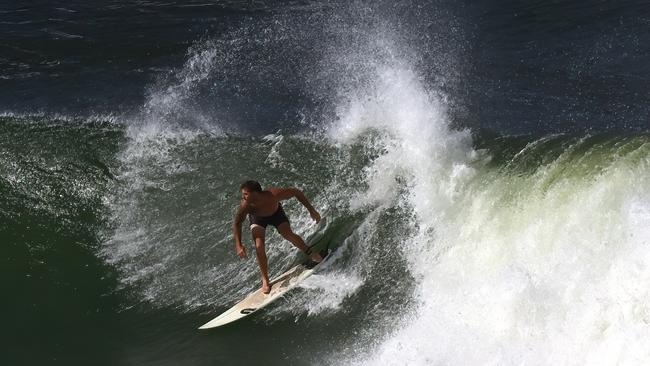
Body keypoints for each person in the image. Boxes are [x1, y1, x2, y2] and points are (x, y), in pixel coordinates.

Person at [233, 180, 323, 294]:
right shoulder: (245, 205)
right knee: (259, 245)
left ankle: (311, 253)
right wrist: (238, 245)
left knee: (287, 234)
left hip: (276, 214)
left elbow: (296, 192)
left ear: (255, 193)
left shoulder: (274, 194)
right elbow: (237, 223)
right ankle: (265, 280)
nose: (243, 197)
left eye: (245, 194)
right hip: (258, 219)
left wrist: (312, 210)